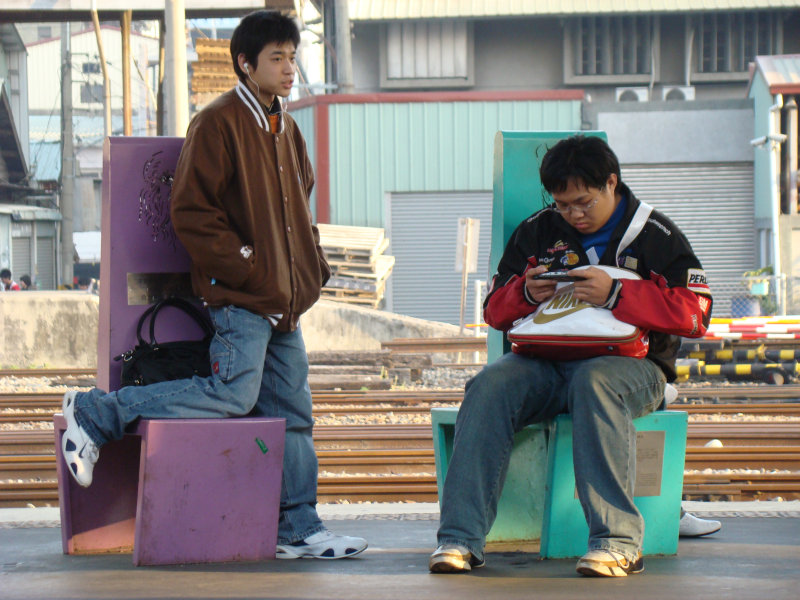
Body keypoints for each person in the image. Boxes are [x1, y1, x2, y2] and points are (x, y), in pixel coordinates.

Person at [59, 10, 367, 561]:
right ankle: (97, 412)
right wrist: (249, 268)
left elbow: (301, 208)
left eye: (293, 57)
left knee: (295, 417)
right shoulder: (218, 122)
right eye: (277, 58)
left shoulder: (287, 129)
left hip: (284, 305)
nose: (289, 68)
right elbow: (193, 213)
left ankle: (298, 527)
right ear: (247, 64)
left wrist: (309, 269)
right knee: (231, 394)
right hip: (243, 300)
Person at [429, 135, 713, 577]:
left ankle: (617, 543)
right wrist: (524, 292)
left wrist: (618, 293)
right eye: (563, 205)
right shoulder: (537, 231)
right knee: (488, 386)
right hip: (543, 363)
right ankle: (459, 540)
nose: (573, 215)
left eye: (583, 202)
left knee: (594, 382)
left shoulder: (655, 235)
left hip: (634, 368)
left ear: (612, 184)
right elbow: (493, 311)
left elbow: (696, 315)